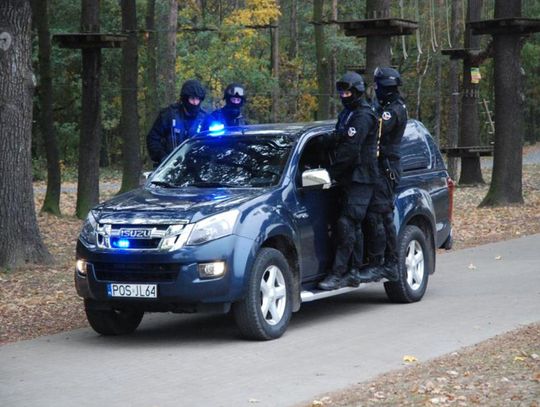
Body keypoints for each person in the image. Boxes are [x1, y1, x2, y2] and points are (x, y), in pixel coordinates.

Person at [318, 71, 379, 291]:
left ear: (357, 91)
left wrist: (331, 172)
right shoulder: (347, 114)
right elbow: (341, 136)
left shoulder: (363, 115)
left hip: (361, 178)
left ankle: (341, 273)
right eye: (342, 92)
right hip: (348, 177)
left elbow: (351, 149)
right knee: (347, 224)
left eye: (348, 91)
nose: (344, 95)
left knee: (348, 223)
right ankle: (353, 270)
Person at [351, 67, 408, 284]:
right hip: (379, 167)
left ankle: (386, 265)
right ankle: (381, 262)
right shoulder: (383, 106)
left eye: (378, 86)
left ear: (385, 87)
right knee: (377, 216)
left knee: (380, 216)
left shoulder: (393, 111)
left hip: (386, 168)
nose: (375, 90)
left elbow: (376, 129)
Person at [146, 79, 207, 167]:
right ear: (185, 99)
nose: (195, 103)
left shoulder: (206, 119)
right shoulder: (168, 115)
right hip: (170, 167)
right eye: (192, 99)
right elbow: (152, 138)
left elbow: (214, 145)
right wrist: (162, 157)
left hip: (197, 167)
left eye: (198, 99)